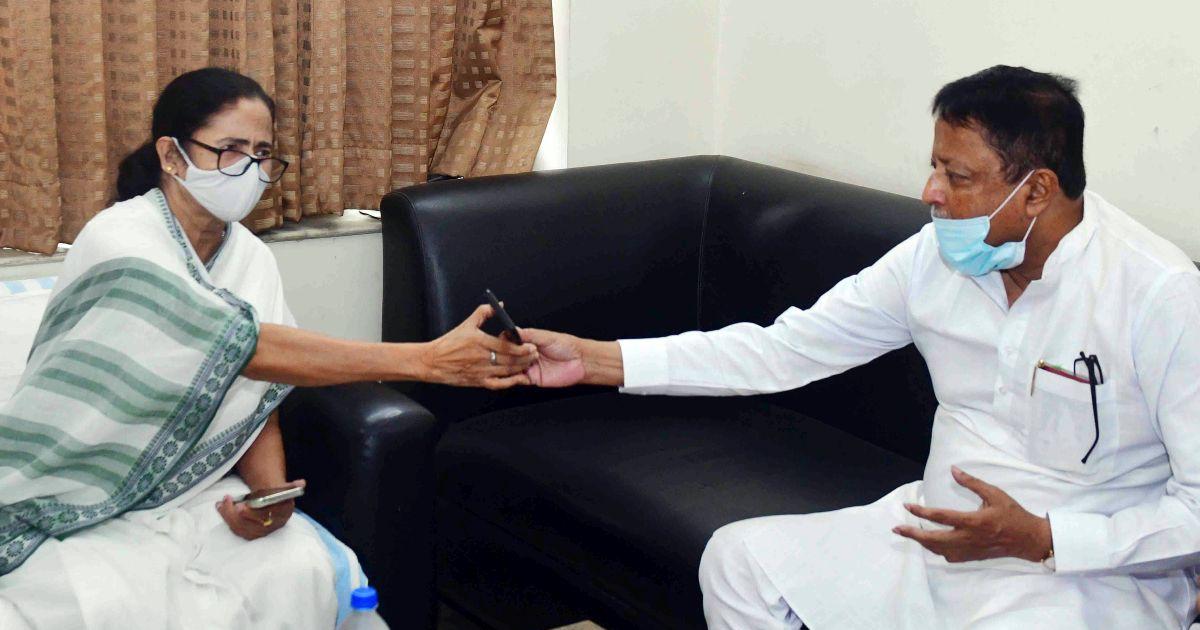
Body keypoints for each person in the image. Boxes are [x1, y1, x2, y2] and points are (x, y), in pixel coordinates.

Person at [520, 66, 1200, 628]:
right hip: (928, 538)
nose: (931, 193)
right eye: (934, 167)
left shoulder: (1158, 294)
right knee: (738, 562)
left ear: (1037, 191)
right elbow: (782, 350)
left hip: (1079, 575)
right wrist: (597, 359)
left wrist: (1045, 538)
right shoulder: (933, 259)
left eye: (958, 177)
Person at [0, 67, 537, 629]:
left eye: (261, 154)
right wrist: (424, 360)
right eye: (230, 150)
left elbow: (256, 394)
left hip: (187, 484)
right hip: (71, 475)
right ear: (172, 155)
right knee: (96, 601)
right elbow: (243, 348)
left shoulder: (249, 256)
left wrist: (270, 494)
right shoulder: (121, 239)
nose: (250, 170)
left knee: (301, 570)